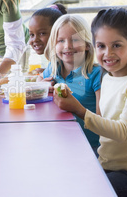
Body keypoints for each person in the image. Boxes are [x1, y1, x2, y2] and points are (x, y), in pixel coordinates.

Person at [55, 8, 127, 197]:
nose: (108, 53)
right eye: (101, 46)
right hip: (105, 165)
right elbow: (103, 121)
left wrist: (80, 110)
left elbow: (123, 132)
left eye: (116, 45)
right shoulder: (108, 76)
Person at [42, 14, 101, 151]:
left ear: (87, 44)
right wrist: (41, 84)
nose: (67, 46)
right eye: (61, 41)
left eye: (75, 40)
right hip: (58, 141)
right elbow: (41, 83)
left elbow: (101, 121)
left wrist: (76, 108)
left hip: (90, 147)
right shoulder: (53, 68)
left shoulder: (97, 74)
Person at [27, 4, 67, 71]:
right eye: (32, 35)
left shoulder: (68, 61)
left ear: (59, 32)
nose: (35, 39)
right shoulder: (55, 62)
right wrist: (46, 72)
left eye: (42, 33)